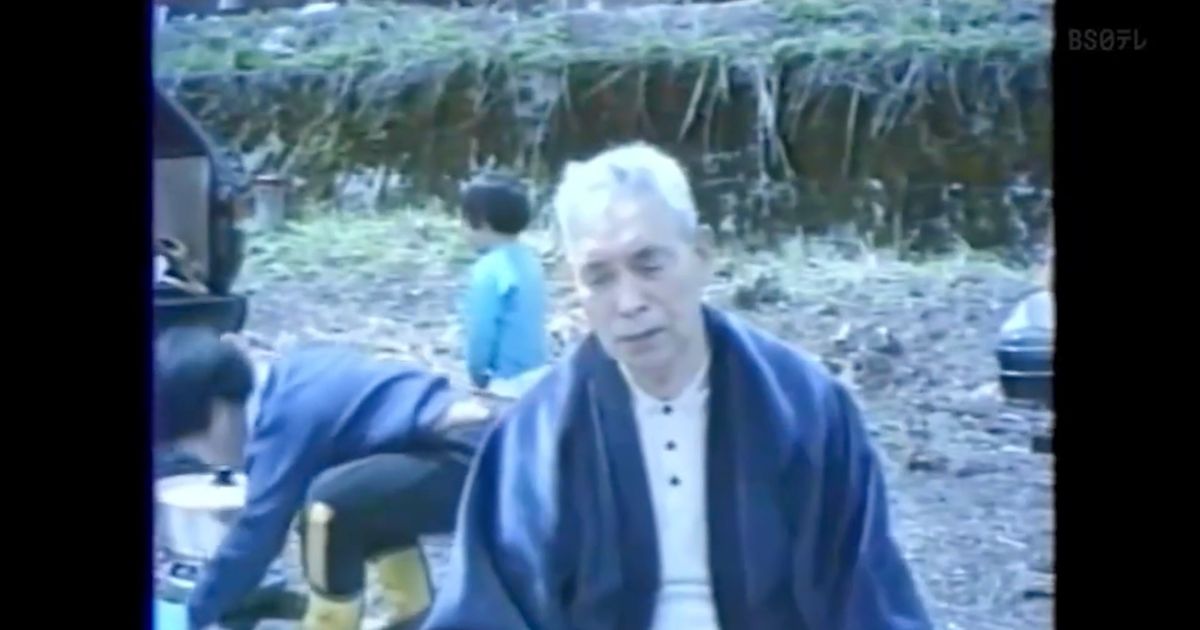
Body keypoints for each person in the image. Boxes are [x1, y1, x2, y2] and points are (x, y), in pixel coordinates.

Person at [424, 143, 933, 629]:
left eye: (649, 265)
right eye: (599, 277)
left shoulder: (806, 407)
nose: (629, 302)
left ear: (702, 254)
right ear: (571, 284)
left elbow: (867, 597)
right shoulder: (532, 438)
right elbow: (485, 611)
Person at [152, 327, 494, 630]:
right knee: (360, 494)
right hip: (462, 453)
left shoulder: (283, 422)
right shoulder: (285, 380)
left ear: (218, 412)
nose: (204, 459)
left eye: (193, 443)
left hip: (469, 461)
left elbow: (258, 534)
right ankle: (413, 615)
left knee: (327, 507)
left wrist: (192, 613)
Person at [459, 171, 549, 397]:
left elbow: (481, 332)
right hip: (540, 376)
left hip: (506, 382)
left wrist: (477, 373)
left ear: (481, 221)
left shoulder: (489, 269)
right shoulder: (530, 261)